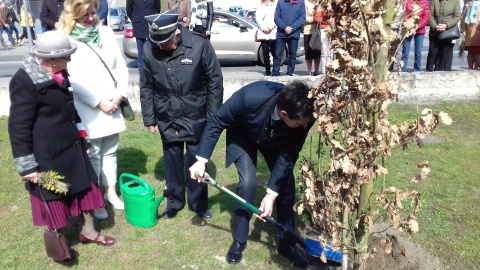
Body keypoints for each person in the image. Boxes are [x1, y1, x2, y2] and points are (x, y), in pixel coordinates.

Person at [8, 31, 115, 261]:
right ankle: (58, 245)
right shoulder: (24, 81)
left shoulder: (59, 71)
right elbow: (18, 128)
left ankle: (89, 232)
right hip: (47, 154)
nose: (70, 60)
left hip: (72, 146)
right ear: (51, 59)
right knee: (54, 196)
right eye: (66, 56)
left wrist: (83, 137)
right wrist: (28, 167)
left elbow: (69, 108)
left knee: (87, 187)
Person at [189, 80, 314, 268]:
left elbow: (288, 156)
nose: (305, 127)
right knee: (248, 183)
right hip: (243, 135)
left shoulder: (305, 116)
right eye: (300, 123)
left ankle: (286, 244)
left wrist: (271, 194)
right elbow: (216, 122)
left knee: (286, 184)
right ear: (284, 113)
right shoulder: (250, 97)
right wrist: (201, 160)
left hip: (276, 141)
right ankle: (240, 239)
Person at [140, 11, 223, 219]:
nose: (160, 47)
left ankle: (198, 204)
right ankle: (174, 202)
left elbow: (215, 81)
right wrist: (149, 117)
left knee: (197, 158)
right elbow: (146, 86)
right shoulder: (150, 49)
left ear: (177, 34)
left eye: (164, 42)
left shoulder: (199, 44)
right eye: (157, 42)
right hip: (166, 113)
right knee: (172, 158)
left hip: (196, 112)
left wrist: (212, 117)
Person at [59, 0, 129, 219]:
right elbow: (73, 78)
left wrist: (119, 95)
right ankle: (95, 196)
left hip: (113, 101)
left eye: (93, 12)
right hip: (88, 106)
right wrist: (99, 102)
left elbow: (121, 66)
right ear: (73, 14)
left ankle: (111, 192)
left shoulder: (106, 32)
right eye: (85, 14)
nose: (91, 17)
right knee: (94, 153)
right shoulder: (66, 38)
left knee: (110, 150)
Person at [272, 0, 306, 76]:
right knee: (278, 55)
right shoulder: (280, 2)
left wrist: (292, 28)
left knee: (292, 55)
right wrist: (285, 27)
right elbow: (276, 17)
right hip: (281, 33)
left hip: (294, 33)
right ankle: (275, 73)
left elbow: (302, 18)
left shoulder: (300, 2)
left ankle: (290, 73)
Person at [426, 0, 461, 71]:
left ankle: (440, 71)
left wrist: (446, 25)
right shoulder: (435, 1)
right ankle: (429, 71)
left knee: (444, 52)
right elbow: (430, 14)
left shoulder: (455, 1)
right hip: (435, 31)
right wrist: (435, 26)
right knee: (433, 52)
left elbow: (457, 16)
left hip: (447, 32)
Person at [126, 0, 160, 72]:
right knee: (141, 51)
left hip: (151, 25)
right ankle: (142, 73)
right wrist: (135, 19)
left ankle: (153, 71)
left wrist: (152, 19)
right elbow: (129, 9)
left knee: (153, 50)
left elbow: (157, 8)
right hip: (138, 24)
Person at [400, 0, 430, 72]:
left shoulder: (425, 2)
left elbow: (427, 17)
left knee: (418, 52)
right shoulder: (407, 1)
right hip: (408, 29)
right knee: (405, 52)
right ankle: (402, 71)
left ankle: (417, 70)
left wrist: (417, 26)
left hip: (420, 30)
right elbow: (403, 15)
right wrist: (409, 25)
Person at [256, 0, 277, 76]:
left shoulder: (275, 5)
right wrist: (263, 28)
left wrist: (269, 28)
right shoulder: (260, 6)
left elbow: (276, 18)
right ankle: (267, 70)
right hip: (263, 33)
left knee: (274, 52)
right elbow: (257, 18)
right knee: (265, 53)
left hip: (273, 32)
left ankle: (275, 69)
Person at [460, 0, 480, 69]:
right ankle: (470, 68)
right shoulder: (468, 5)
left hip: (478, 32)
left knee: (477, 52)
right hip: (469, 32)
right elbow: (462, 18)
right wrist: (463, 29)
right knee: (470, 52)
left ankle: (476, 68)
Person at [303, 0, 321, 76]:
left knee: (317, 51)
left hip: (319, 30)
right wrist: (315, 19)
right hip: (308, 30)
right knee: (308, 52)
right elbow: (304, 17)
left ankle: (316, 71)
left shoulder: (320, 2)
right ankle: (309, 71)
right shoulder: (305, 3)